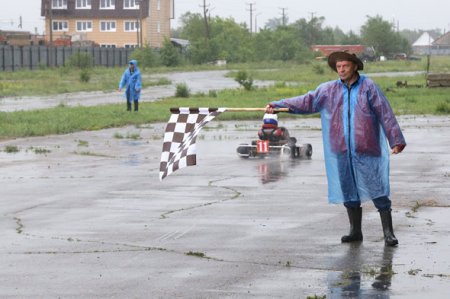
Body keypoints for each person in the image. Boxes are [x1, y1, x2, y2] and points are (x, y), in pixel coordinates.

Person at [265, 51, 406, 246]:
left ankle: (388, 233)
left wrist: (396, 139)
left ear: (354, 66)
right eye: (338, 67)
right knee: (348, 189)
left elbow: (385, 112)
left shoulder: (368, 87)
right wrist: (278, 105)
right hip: (341, 148)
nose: (341, 70)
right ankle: (355, 231)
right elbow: (306, 101)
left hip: (366, 147)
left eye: (345, 66)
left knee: (377, 187)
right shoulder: (328, 90)